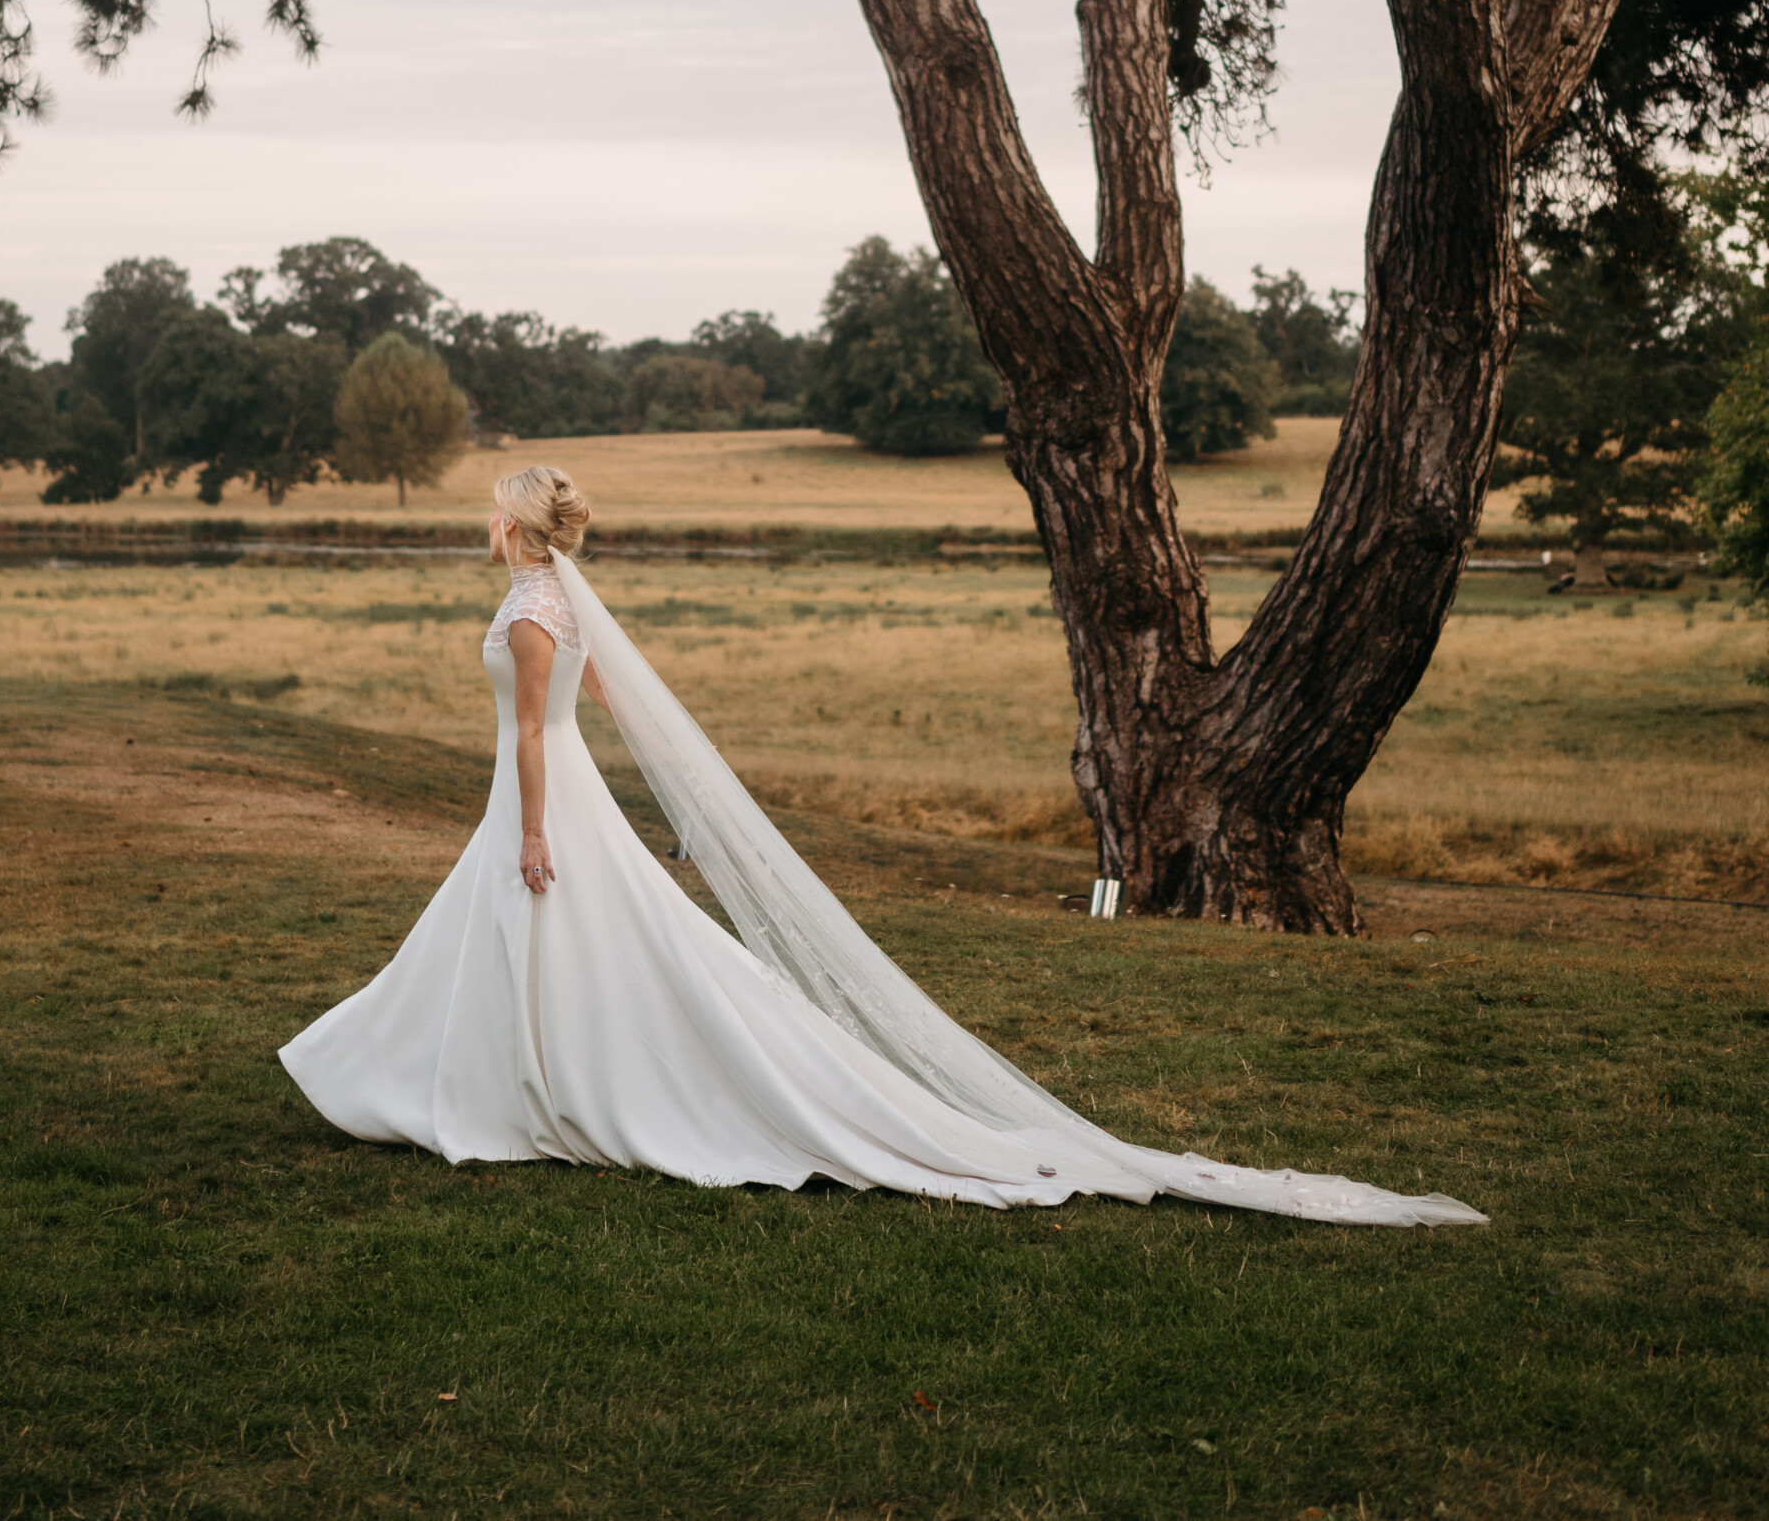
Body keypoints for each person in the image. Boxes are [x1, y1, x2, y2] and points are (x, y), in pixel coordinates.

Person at [279, 465, 1484, 1225]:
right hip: (538, 790)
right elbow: (594, 700)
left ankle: (524, 1087)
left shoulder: (534, 609)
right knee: (538, 937)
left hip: (539, 796)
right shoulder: (551, 603)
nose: (484, 524)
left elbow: (539, 731)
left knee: (558, 922)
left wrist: (537, 828)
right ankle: (497, 1075)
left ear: (510, 524)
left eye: (490, 511)